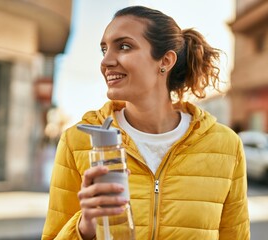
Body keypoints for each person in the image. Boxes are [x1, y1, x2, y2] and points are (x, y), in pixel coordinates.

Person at [42, 5, 250, 240]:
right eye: (104, 50)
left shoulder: (226, 145)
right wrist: (85, 227)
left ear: (166, 60)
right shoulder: (78, 141)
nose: (106, 61)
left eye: (124, 46)